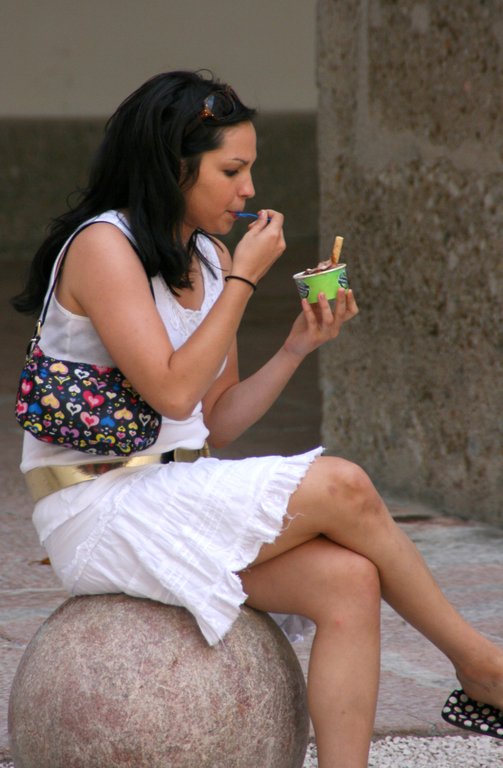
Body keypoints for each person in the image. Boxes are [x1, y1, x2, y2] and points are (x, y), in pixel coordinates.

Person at [12, 70, 503, 767]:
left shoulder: (209, 257)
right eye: (231, 170)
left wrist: (297, 345)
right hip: (98, 502)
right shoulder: (105, 247)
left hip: (174, 489)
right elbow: (172, 393)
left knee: (349, 580)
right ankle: (483, 667)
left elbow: (214, 419)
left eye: (250, 170)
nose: (248, 189)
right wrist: (244, 280)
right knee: (345, 485)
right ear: (172, 166)